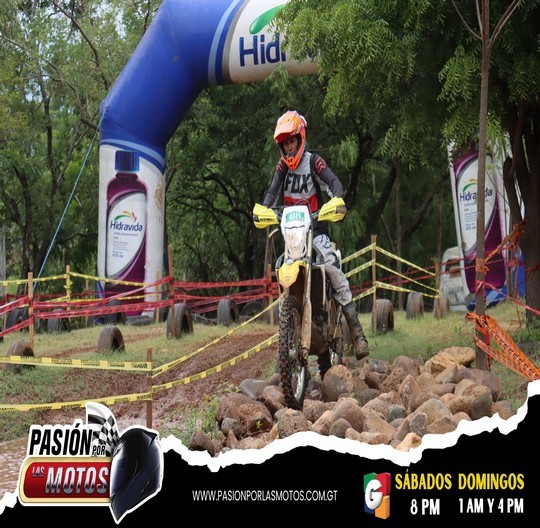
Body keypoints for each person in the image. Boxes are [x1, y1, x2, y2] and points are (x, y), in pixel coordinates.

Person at [262, 109, 369, 360]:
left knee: (331, 267)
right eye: (285, 143)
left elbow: (334, 183)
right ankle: (286, 346)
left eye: (292, 141)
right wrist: (263, 209)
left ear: (300, 138)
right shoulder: (282, 167)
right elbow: (272, 192)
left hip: (316, 231)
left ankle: (357, 332)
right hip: (293, 235)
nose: (289, 147)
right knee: (280, 269)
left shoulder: (313, 161)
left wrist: (337, 200)